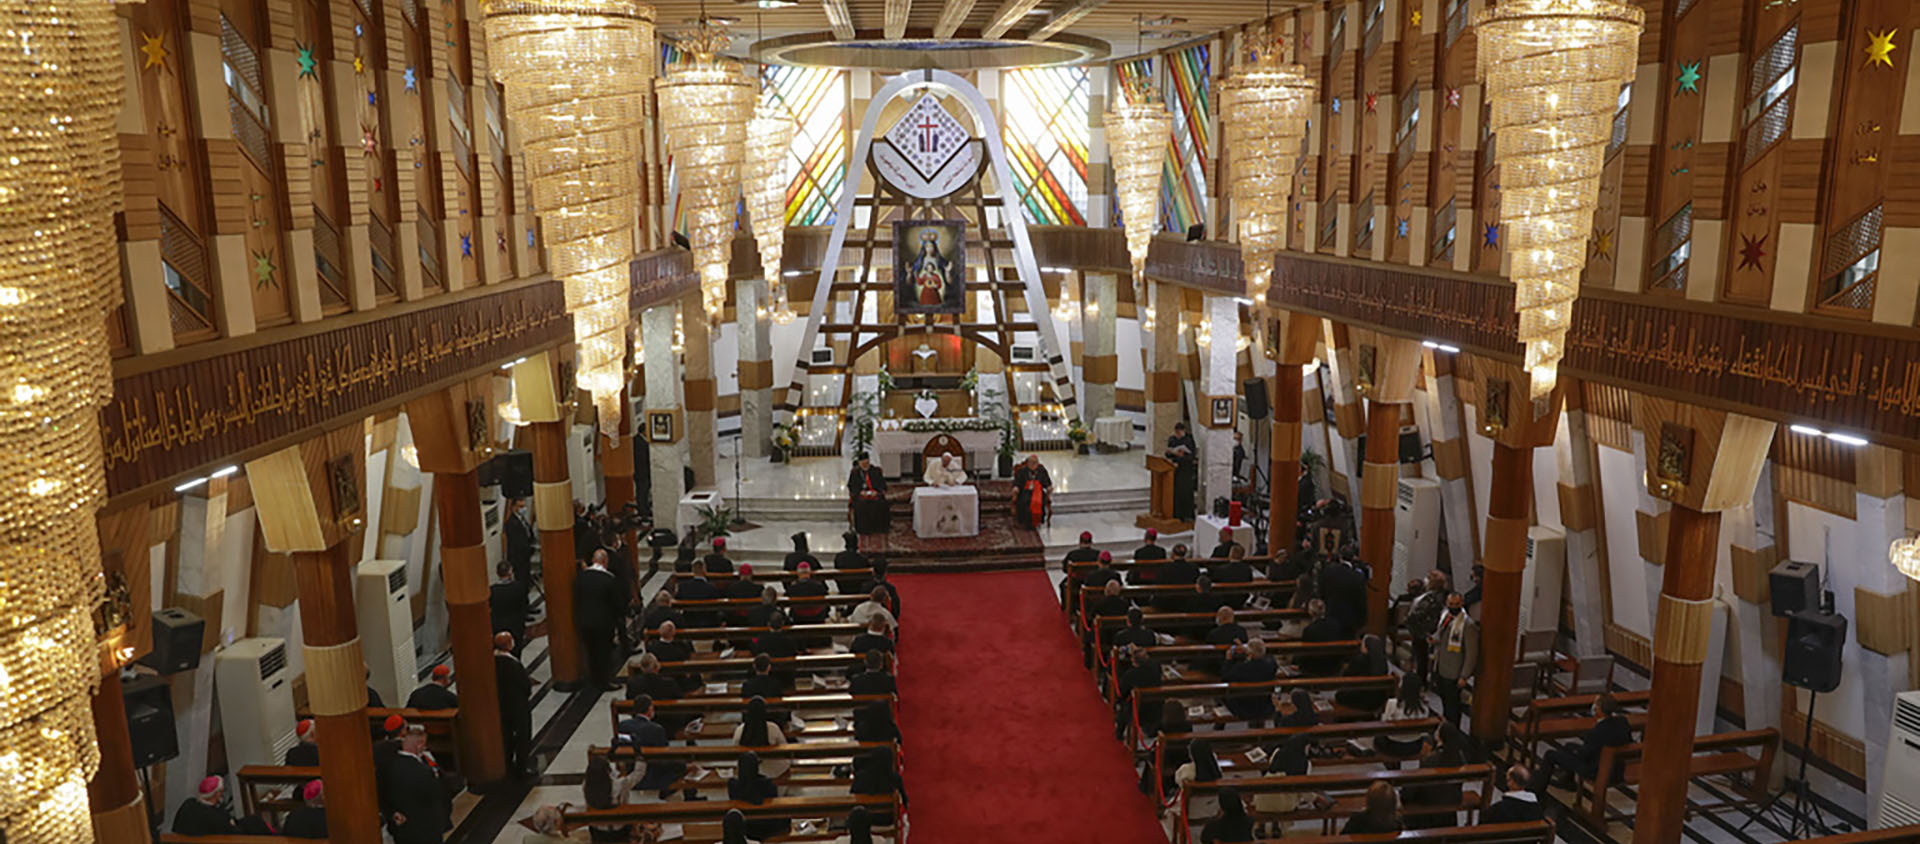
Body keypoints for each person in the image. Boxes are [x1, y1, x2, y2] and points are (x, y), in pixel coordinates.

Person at [1533, 692, 1633, 791]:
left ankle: (1538, 789)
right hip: (1616, 768)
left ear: (1599, 709)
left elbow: (1584, 756)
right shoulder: (1622, 722)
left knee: (1550, 754)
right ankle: (1568, 781)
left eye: (1596, 704)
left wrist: (1575, 753)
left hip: (1595, 771)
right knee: (1569, 746)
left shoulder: (1596, 732)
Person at [386, 725, 453, 844]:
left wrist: (393, 814)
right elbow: (437, 797)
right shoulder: (424, 771)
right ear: (419, 745)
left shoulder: (389, 766)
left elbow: (384, 795)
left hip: (402, 830)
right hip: (426, 831)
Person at [575, 549, 627, 690]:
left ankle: (594, 679)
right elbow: (617, 604)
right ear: (605, 561)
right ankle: (604, 681)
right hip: (603, 624)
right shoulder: (609, 579)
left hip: (585, 622)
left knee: (591, 651)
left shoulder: (581, 577)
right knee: (603, 653)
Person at [615, 695, 686, 797]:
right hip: (651, 773)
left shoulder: (623, 725)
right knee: (680, 766)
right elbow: (664, 756)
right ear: (649, 709)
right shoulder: (656, 729)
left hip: (631, 769)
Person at [1403, 725, 1467, 828]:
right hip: (1453, 798)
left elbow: (1419, 781)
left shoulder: (1431, 759)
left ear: (1440, 738)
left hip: (1430, 801)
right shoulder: (1460, 758)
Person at [1431, 591, 1478, 726]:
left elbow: (1471, 653)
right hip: (1441, 666)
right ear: (1447, 603)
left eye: (1457, 604)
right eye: (1451, 604)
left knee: (1453, 706)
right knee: (1444, 701)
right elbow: (1442, 637)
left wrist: (1464, 676)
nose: (1453, 606)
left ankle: (1453, 732)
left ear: (1461, 603)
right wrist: (1434, 641)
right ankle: (1446, 728)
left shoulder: (1468, 625)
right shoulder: (1446, 616)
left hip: (1454, 671)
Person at [495, 631, 534, 777]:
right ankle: (522, 766)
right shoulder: (512, 663)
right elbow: (524, 683)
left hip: (502, 703)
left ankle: (507, 763)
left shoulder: (493, 661)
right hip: (518, 704)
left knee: (506, 734)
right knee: (523, 734)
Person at [582, 751, 643, 843]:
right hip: (619, 829)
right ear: (607, 771)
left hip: (597, 831)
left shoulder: (586, 785)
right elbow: (637, 775)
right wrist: (641, 760)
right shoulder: (619, 784)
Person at [728, 751, 791, 839]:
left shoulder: (732, 784)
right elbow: (773, 801)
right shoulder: (767, 783)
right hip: (766, 824)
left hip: (745, 825)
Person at [1374, 674, 1434, 759]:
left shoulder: (1393, 703)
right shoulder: (1424, 707)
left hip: (1393, 745)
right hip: (1415, 746)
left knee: (1377, 739)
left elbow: (1384, 724)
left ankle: (1392, 766)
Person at [1404, 569, 1450, 681]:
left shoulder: (1433, 598)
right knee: (1420, 656)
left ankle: (1420, 681)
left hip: (1423, 631)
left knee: (1421, 658)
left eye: (1428, 578)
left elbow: (1421, 613)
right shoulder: (1430, 595)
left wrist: (1410, 619)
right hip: (1420, 630)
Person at [1221, 638, 1278, 723]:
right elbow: (1268, 657)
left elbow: (1225, 676)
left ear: (1249, 654)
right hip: (1265, 704)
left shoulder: (1241, 668)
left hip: (1244, 707)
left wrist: (1228, 660)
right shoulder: (1271, 665)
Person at [733, 697, 791, 776]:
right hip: (773, 770)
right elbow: (784, 747)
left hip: (748, 769)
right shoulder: (772, 727)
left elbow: (735, 749)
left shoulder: (740, 730)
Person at [1333, 634, 1392, 712]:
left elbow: (1346, 677)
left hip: (1360, 699)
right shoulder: (1383, 662)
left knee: (1339, 695)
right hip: (1377, 701)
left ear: (1366, 648)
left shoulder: (1359, 660)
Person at [851, 747, 907, 824]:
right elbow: (904, 800)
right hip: (888, 819)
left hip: (864, 819)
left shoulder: (861, 776)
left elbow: (853, 794)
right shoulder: (895, 778)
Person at [1296, 598, 1347, 676]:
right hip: (1334, 667)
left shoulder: (1309, 630)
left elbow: (1305, 653)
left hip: (1314, 669)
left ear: (1311, 613)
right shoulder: (1335, 625)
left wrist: (1299, 665)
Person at [490, 560, 531, 650]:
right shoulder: (519, 588)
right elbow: (524, 604)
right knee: (516, 649)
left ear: (497, 573)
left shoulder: (492, 590)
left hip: (499, 625)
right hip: (516, 624)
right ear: (510, 572)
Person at [848, 453, 890, 534]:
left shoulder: (876, 471)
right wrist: (860, 492)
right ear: (859, 463)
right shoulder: (855, 473)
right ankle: (864, 529)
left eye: (866, 463)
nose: (865, 466)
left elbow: (883, 485)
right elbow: (851, 486)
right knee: (861, 505)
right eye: (863, 464)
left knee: (881, 504)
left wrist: (876, 492)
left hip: (875, 495)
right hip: (861, 497)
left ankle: (879, 529)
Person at [1165, 422, 1199, 521]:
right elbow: (1169, 454)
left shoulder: (1188, 440)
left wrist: (1182, 456)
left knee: (1185, 492)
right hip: (1174, 469)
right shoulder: (1172, 439)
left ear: (1183, 431)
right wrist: (1169, 453)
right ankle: (1176, 513)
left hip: (1185, 470)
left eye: (1179, 432)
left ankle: (1187, 515)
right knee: (1175, 493)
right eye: (1176, 432)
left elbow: (1191, 457)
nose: (1177, 434)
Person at [1011, 454, 1052, 528]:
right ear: (1027, 463)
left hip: (1038, 493)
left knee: (1038, 502)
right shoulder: (1022, 471)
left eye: (1035, 462)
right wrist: (1016, 488)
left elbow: (1047, 482)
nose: (1033, 464)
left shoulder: (1042, 471)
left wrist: (1049, 487)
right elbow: (1017, 482)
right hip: (1025, 492)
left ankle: (1037, 521)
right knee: (1027, 501)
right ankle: (1027, 523)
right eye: (1031, 462)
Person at [504, 497, 535, 586]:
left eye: (523, 506)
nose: (523, 509)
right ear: (514, 507)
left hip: (525, 557)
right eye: (520, 506)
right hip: (518, 559)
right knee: (521, 580)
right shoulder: (511, 523)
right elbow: (517, 543)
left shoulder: (521, 519)